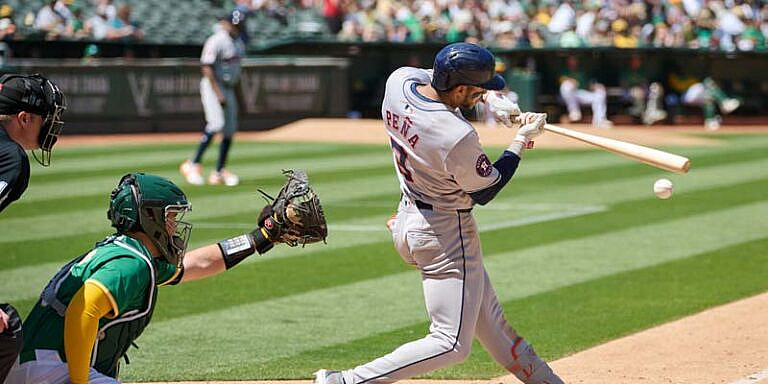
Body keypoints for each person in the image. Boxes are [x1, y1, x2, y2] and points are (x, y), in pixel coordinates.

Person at [314, 43, 563, 384]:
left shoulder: (398, 81)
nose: (481, 95)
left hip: (409, 217)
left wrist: (492, 101)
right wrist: (520, 140)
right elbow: (486, 189)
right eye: (477, 91)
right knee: (451, 343)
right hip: (445, 236)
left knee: (492, 326)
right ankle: (346, 381)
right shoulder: (454, 134)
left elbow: (437, 81)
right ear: (460, 88)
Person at [6, 171, 323, 384]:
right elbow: (83, 309)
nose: (175, 225)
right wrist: (80, 381)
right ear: (150, 217)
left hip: (38, 364)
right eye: (171, 216)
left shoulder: (133, 253)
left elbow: (193, 265)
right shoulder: (130, 265)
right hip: (48, 369)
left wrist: (259, 238)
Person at [0, 73, 66, 382]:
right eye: (45, 118)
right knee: (6, 332)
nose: (51, 125)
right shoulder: (11, 159)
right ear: (24, 118)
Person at [180, 10, 246, 187]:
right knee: (216, 124)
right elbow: (207, 68)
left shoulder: (239, 42)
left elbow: (237, 74)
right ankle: (192, 164)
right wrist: (219, 94)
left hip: (230, 87)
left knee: (230, 130)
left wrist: (240, 98)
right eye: (234, 23)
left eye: (239, 24)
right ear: (226, 23)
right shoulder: (217, 40)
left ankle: (219, 172)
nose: (236, 27)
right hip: (213, 86)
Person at [667, 67, 740, 131]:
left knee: (708, 99)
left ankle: (710, 121)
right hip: (685, 95)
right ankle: (724, 102)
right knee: (708, 82)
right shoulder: (674, 77)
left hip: (693, 95)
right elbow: (679, 87)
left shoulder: (690, 79)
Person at [558, 55, 612, 129]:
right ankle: (574, 112)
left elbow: (588, 86)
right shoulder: (564, 71)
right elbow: (562, 81)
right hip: (568, 96)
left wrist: (596, 86)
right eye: (571, 60)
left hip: (580, 94)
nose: (573, 62)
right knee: (567, 86)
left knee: (600, 93)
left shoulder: (581, 71)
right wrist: (571, 81)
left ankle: (600, 120)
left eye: (574, 60)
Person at [619, 55, 666, 125]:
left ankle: (652, 112)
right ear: (631, 62)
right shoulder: (626, 72)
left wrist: (644, 89)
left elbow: (645, 83)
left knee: (656, 87)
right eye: (634, 61)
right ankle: (644, 116)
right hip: (630, 92)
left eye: (638, 61)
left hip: (643, 91)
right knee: (637, 92)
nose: (637, 62)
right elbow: (624, 85)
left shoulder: (642, 71)